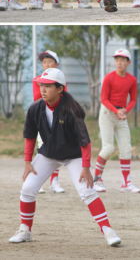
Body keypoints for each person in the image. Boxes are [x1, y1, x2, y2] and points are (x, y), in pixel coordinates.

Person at [8, 68, 121, 246]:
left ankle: (108, 230)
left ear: (60, 89)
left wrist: (85, 167)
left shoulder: (71, 110)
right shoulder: (35, 108)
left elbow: (85, 142)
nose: (43, 89)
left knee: (87, 191)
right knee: (27, 189)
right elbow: (30, 136)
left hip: (73, 156)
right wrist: (27, 162)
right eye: (41, 85)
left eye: (48, 86)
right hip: (48, 154)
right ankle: (25, 230)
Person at [93, 49, 140, 193]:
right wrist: (116, 111)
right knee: (108, 148)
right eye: (117, 59)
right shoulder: (109, 78)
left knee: (126, 149)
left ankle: (126, 183)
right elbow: (104, 99)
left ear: (128, 62)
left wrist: (125, 111)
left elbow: (132, 100)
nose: (119, 63)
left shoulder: (132, 80)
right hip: (108, 113)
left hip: (121, 115)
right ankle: (97, 180)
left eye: (122, 60)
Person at [33, 50, 67, 193]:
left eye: (49, 61)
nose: (46, 64)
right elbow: (37, 99)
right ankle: (38, 182)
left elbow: (64, 100)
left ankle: (54, 182)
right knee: (43, 148)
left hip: (57, 118)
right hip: (42, 118)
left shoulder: (61, 81)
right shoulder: (37, 80)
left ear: (56, 64)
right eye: (44, 62)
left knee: (57, 148)